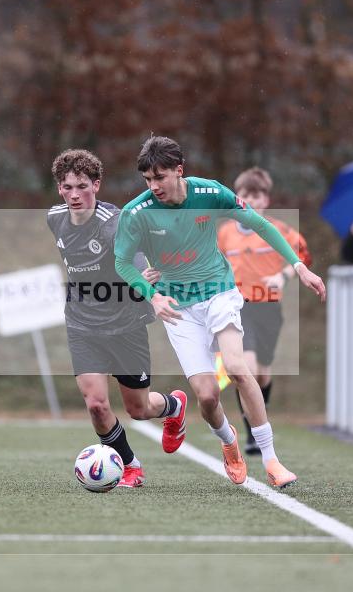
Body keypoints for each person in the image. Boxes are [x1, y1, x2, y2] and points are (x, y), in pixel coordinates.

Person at [114, 136, 326, 489]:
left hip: (219, 293)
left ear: (179, 170)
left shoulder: (209, 193)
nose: (153, 186)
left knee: (238, 368)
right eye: (147, 180)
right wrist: (152, 296)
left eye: (160, 177)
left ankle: (272, 460)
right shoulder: (136, 213)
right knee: (208, 395)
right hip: (178, 308)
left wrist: (298, 266)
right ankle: (229, 442)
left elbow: (260, 224)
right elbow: (122, 262)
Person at [46, 149, 187, 488]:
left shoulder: (113, 224)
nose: (74, 195)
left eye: (82, 186)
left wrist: (149, 291)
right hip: (82, 324)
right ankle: (129, 466)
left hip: (125, 324)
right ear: (59, 188)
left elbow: (135, 261)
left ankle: (173, 406)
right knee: (96, 405)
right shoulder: (54, 218)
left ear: (96, 185)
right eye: (67, 187)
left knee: (139, 409)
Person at [217, 167, 312, 455]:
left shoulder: (278, 230)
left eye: (257, 196)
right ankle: (252, 434)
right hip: (238, 307)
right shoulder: (225, 233)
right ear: (237, 199)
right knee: (245, 367)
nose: (251, 201)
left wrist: (282, 276)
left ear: (266, 200)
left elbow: (303, 255)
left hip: (269, 308)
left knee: (262, 373)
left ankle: (260, 410)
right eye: (245, 195)